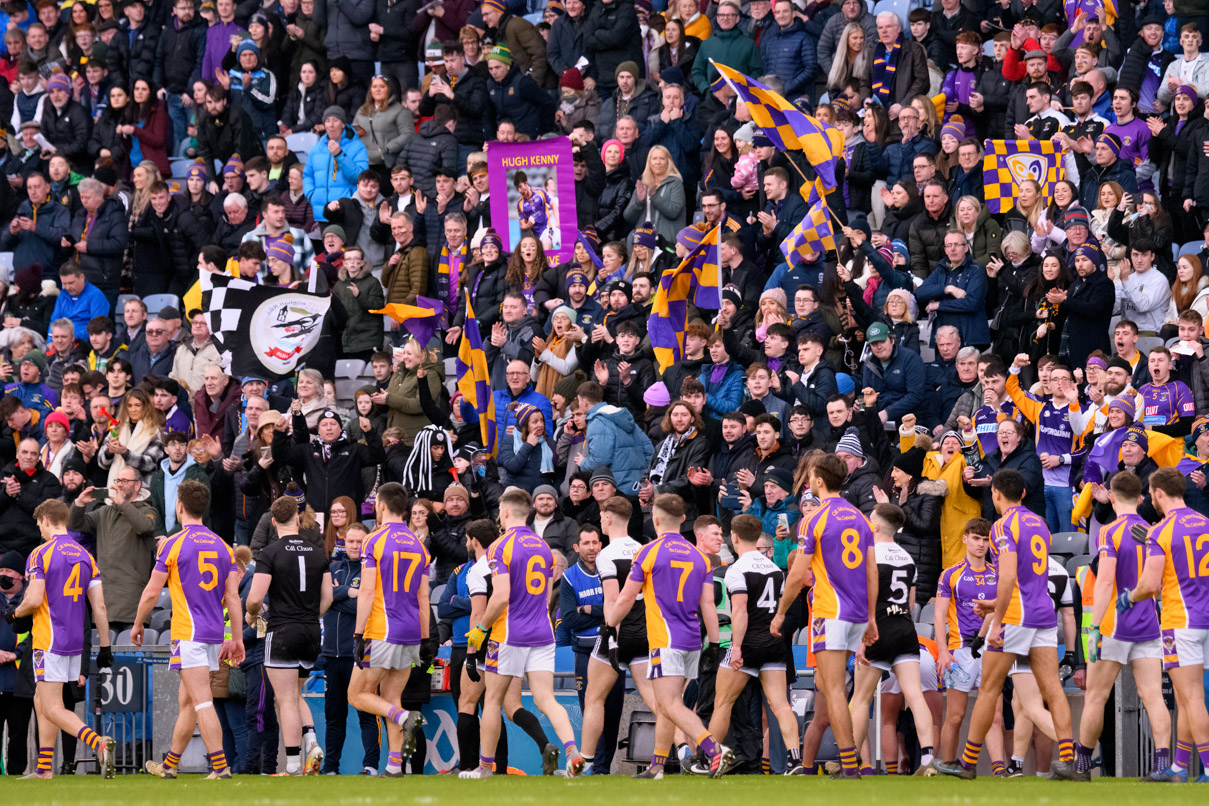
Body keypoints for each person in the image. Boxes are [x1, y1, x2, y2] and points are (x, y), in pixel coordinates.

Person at [935, 468, 1077, 780]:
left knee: (988, 688)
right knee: (1052, 689)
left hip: (1015, 616)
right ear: (1024, 493)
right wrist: (994, 604)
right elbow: (1027, 575)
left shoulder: (1002, 526)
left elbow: (1009, 575)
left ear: (996, 494)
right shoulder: (1039, 523)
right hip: (1042, 613)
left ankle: (969, 763)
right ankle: (1070, 761)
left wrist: (996, 618)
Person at [461, 488, 586, 778]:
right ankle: (572, 752)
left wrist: (481, 628)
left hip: (509, 634)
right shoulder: (543, 547)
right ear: (528, 511)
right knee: (546, 699)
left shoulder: (499, 547)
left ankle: (484, 768)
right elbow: (544, 598)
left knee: (492, 700)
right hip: (542, 633)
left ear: (504, 513)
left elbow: (501, 594)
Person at [604, 493, 729, 778]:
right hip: (692, 639)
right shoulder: (700, 557)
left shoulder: (649, 552)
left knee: (671, 704)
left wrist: (610, 622)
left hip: (665, 639)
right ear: (683, 519)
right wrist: (713, 642)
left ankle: (714, 749)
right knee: (665, 704)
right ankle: (657, 766)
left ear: (655, 520)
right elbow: (708, 604)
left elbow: (626, 598)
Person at [772, 453, 876, 778]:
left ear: (819, 480)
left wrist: (780, 613)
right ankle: (837, 763)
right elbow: (872, 572)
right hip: (858, 613)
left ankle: (849, 765)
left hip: (830, 611)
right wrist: (871, 617)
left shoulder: (813, 519)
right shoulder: (861, 518)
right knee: (827, 683)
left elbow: (796, 575)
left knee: (833, 690)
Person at [135, 480, 244, 779]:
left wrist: (138, 623)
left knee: (202, 701)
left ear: (179, 506)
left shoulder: (173, 543)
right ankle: (169, 766)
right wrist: (236, 638)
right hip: (213, 634)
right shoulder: (224, 546)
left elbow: (151, 593)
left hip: (188, 634)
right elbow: (233, 598)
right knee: (188, 701)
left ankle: (220, 768)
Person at [5, 499, 114, 780]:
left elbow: (33, 598)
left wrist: (13, 613)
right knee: (42, 700)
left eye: (39, 524)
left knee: (52, 706)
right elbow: (99, 607)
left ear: (45, 520)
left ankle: (97, 743)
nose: (39, 529)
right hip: (75, 640)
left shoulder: (41, 553)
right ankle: (44, 769)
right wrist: (105, 645)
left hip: (48, 638)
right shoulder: (86, 555)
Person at [1075, 471, 1170, 780]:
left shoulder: (1109, 531)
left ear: (1112, 497)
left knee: (1096, 696)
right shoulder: (1152, 530)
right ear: (1141, 498)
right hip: (1148, 624)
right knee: (1153, 696)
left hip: (1115, 624)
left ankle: (1081, 766)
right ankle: (1163, 766)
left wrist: (1093, 628)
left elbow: (1104, 582)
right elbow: (1157, 583)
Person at [1118, 467, 1209, 783]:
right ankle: (1179, 768)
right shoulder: (1205, 523)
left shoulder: (1162, 530)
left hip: (1179, 620)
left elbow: (1151, 585)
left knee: (1191, 697)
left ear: (1157, 493)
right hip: (1205, 618)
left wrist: (1130, 597)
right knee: (1188, 697)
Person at [245, 495, 333, 776]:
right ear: (298, 518)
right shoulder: (319, 552)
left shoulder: (269, 553)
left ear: (273, 521)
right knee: (296, 694)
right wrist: (309, 616)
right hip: (310, 632)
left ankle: (293, 765)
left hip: (282, 630)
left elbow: (255, 598)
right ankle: (312, 742)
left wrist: (251, 614)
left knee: (284, 700)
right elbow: (328, 598)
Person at [707, 514, 803, 774]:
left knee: (723, 702)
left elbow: (740, 611)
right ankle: (795, 760)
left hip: (747, 643)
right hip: (773, 643)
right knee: (781, 704)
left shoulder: (737, 569)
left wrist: (736, 647)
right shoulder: (774, 569)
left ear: (734, 537)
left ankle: (710, 759)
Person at [346, 482, 430, 776]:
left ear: (381, 505)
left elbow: (367, 592)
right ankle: (395, 767)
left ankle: (405, 716)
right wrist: (426, 638)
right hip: (409, 632)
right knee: (390, 697)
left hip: (381, 629)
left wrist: (358, 634)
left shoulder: (374, 540)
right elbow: (423, 598)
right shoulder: (419, 545)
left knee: (356, 695)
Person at [847, 502, 936, 774]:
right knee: (915, 695)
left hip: (878, 628)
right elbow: (910, 603)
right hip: (906, 628)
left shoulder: (867, 555)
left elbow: (863, 599)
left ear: (874, 526)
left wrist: (862, 637)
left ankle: (848, 762)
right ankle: (928, 760)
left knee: (861, 698)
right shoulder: (907, 558)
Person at [578, 496, 653, 774]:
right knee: (658, 701)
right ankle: (685, 752)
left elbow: (612, 601)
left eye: (601, 517)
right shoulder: (644, 549)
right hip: (644, 631)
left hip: (618, 632)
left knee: (594, 698)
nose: (600, 522)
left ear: (608, 518)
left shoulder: (606, 554)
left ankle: (584, 763)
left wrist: (610, 633)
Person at [934, 518, 1005, 771]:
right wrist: (942, 651)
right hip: (960, 650)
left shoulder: (998, 572)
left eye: (986, 540)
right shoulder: (951, 574)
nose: (981, 544)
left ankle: (999, 770)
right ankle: (947, 764)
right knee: (955, 716)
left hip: (991, 648)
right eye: (976, 538)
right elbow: (939, 614)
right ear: (965, 539)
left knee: (995, 716)